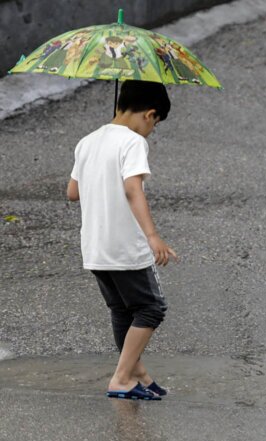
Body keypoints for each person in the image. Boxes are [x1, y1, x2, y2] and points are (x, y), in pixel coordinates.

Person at [67, 80, 178, 400]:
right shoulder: (132, 143)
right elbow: (133, 189)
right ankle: (121, 378)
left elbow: (72, 193)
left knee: (121, 310)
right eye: (155, 124)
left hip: (95, 247)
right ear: (150, 114)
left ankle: (137, 373)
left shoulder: (87, 141)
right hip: (124, 248)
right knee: (151, 309)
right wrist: (153, 236)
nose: (151, 131)